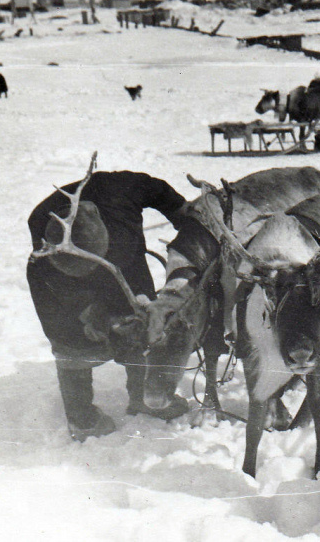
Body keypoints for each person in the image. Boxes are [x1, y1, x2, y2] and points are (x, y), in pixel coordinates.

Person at [27, 170, 191, 441]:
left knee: (140, 322)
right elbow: (55, 289)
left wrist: (183, 217)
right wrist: (88, 311)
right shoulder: (43, 232)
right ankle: (82, 419)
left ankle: (144, 398)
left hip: (124, 262)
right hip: (59, 277)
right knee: (70, 337)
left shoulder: (122, 195)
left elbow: (158, 190)